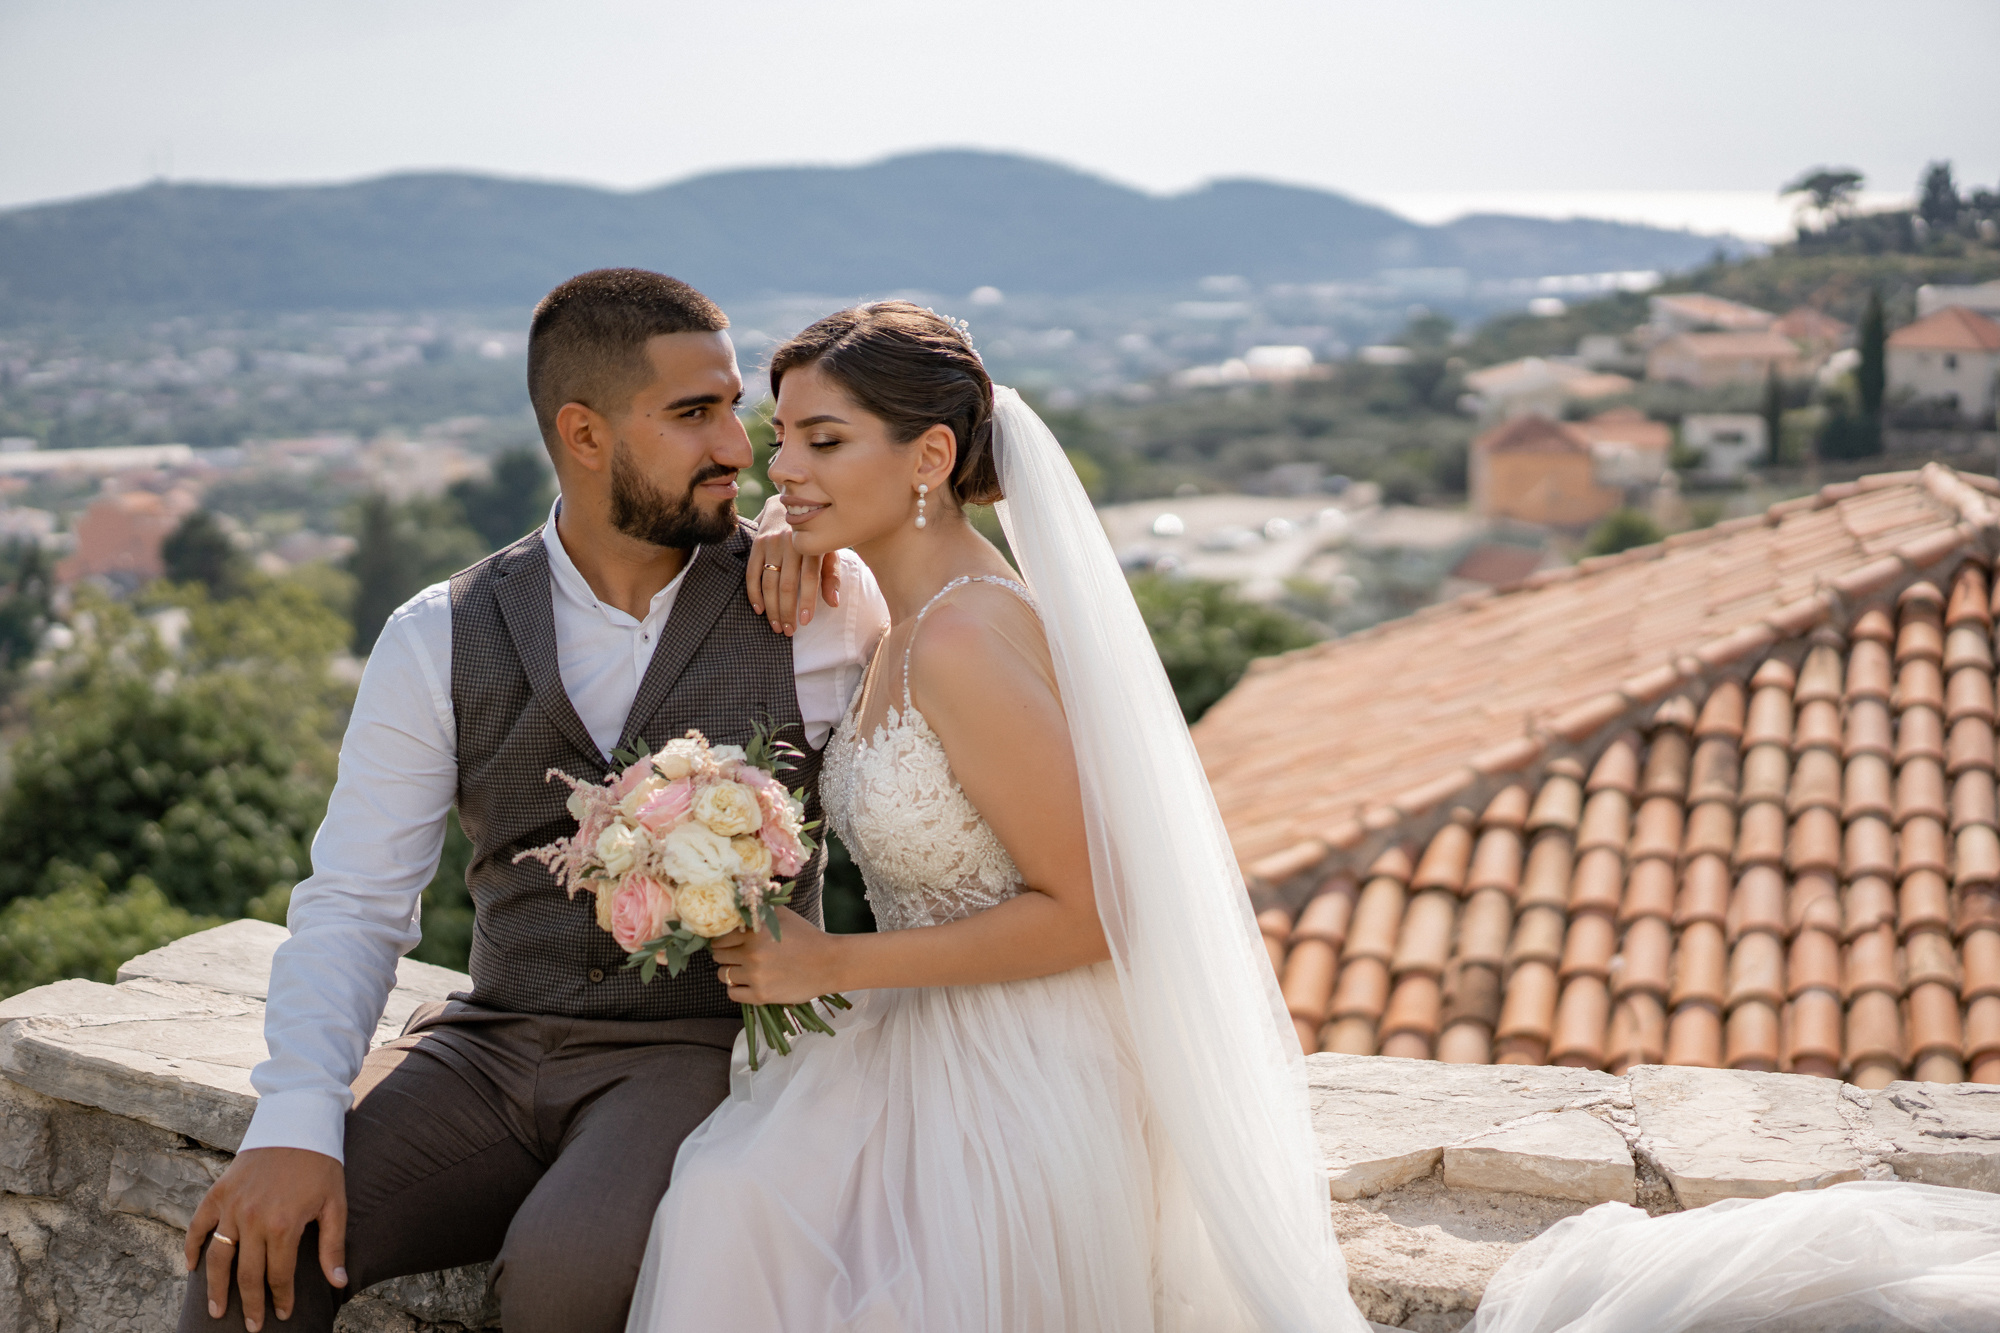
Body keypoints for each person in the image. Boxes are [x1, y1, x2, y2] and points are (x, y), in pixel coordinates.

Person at [625, 302, 1364, 1331]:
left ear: (928, 454)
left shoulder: (963, 639)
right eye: (779, 438)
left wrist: (829, 964)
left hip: (1019, 1074)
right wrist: (794, 539)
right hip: (918, 1037)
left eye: (823, 441)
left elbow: (1096, 910)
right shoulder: (905, 610)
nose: (779, 472)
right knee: (730, 1203)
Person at [177, 269, 889, 1333]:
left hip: (695, 1053)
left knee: (566, 1277)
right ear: (584, 433)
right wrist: (292, 1120)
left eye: (732, 410)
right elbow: (357, 900)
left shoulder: (822, 608)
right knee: (245, 1270)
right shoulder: (436, 632)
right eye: (693, 416)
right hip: (490, 1043)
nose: (739, 450)